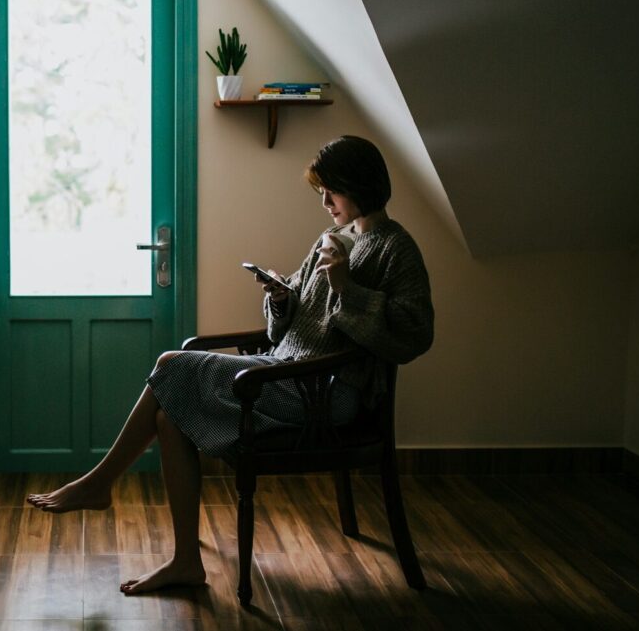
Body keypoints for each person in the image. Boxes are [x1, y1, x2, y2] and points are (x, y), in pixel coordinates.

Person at [26, 135, 434, 594]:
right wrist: (282, 298)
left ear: (359, 184)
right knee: (168, 416)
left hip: (327, 397)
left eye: (331, 190)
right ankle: (185, 562)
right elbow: (291, 325)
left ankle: (99, 483)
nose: (323, 201)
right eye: (320, 190)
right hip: (286, 374)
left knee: (170, 362)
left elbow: (415, 334)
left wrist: (347, 289)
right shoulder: (332, 238)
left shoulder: (397, 249)